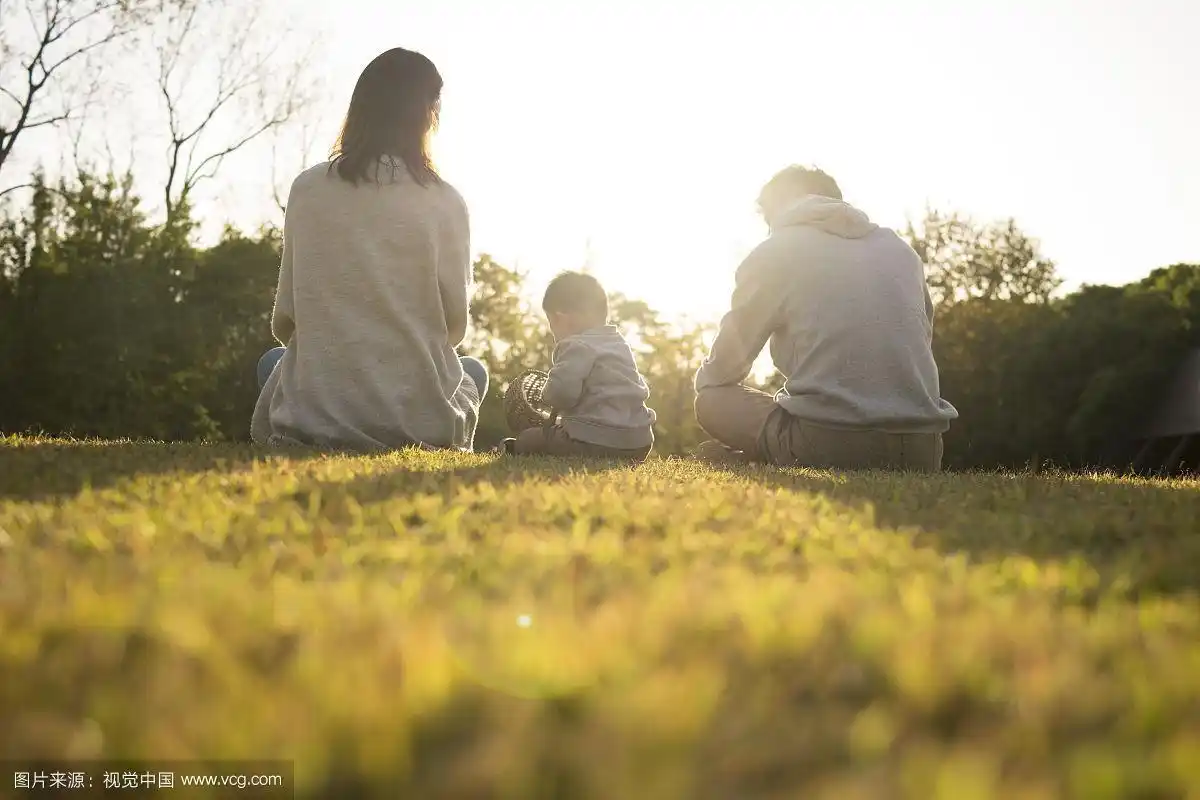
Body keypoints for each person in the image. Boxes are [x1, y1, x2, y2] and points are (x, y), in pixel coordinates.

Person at [251, 47, 488, 452]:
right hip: (415, 420)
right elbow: (453, 328)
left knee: (272, 363)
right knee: (473, 371)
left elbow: (286, 321)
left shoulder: (306, 189)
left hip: (317, 415)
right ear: (428, 114)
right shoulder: (446, 201)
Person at [693, 165, 958, 471]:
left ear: (786, 201)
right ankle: (766, 452)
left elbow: (724, 368)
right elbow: (921, 343)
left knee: (711, 399)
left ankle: (766, 453)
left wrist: (710, 382)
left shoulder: (777, 251)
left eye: (768, 218)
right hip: (923, 450)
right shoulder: (901, 251)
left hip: (834, 443)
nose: (769, 228)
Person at [498, 272, 656, 461]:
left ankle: (512, 448)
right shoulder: (619, 344)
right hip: (639, 443)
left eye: (551, 323)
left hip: (594, 442)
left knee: (530, 438)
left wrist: (546, 394)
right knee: (568, 429)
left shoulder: (575, 345)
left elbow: (562, 394)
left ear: (560, 319)